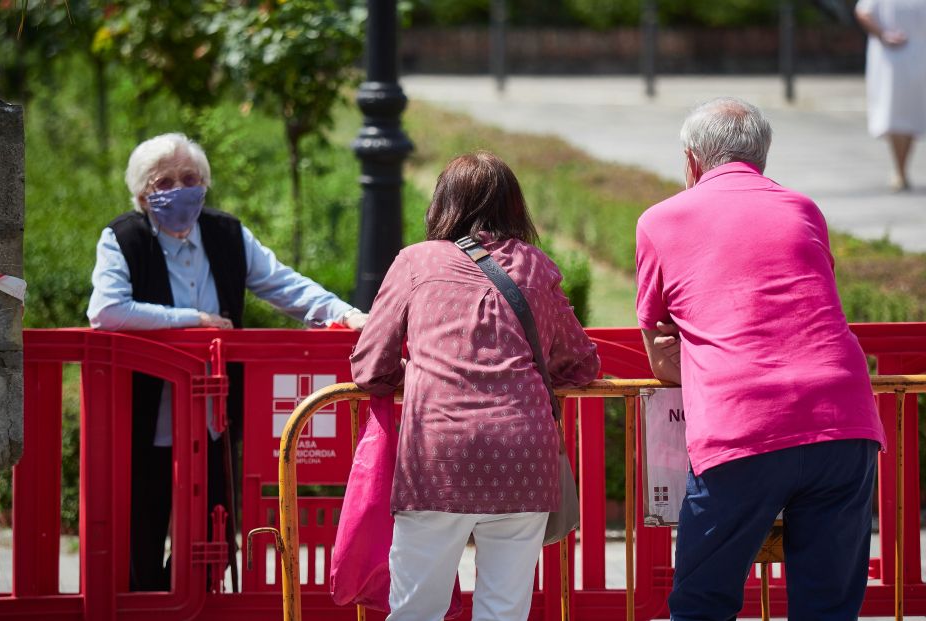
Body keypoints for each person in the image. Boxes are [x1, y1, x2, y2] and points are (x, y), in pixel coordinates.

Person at [635, 98, 887, 620]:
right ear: (762, 159)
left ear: (691, 161)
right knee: (828, 606)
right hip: (843, 422)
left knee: (702, 601)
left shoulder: (661, 221)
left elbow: (661, 357)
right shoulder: (803, 208)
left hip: (741, 426)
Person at [87, 132, 368, 591]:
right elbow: (106, 311)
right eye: (166, 181)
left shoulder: (226, 234)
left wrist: (343, 313)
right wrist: (193, 321)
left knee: (214, 537)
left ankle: (192, 602)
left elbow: (284, 285)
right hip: (144, 415)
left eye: (191, 178)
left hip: (212, 417)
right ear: (142, 195)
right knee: (141, 533)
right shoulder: (122, 238)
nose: (181, 189)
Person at [350, 152, 600, 621]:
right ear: (513, 206)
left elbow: (369, 366)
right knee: (503, 611)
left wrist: (423, 371)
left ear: (442, 204)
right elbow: (583, 364)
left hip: (437, 454)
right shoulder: (536, 266)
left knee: (414, 611)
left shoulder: (415, 262)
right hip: (523, 456)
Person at [855, 0, 926, 191]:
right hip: (892, 59)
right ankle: (900, 170)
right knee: (895, 114)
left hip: (915, 56)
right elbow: (863, 13)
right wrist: (883, 34)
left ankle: (901, 169)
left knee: (910, 114)